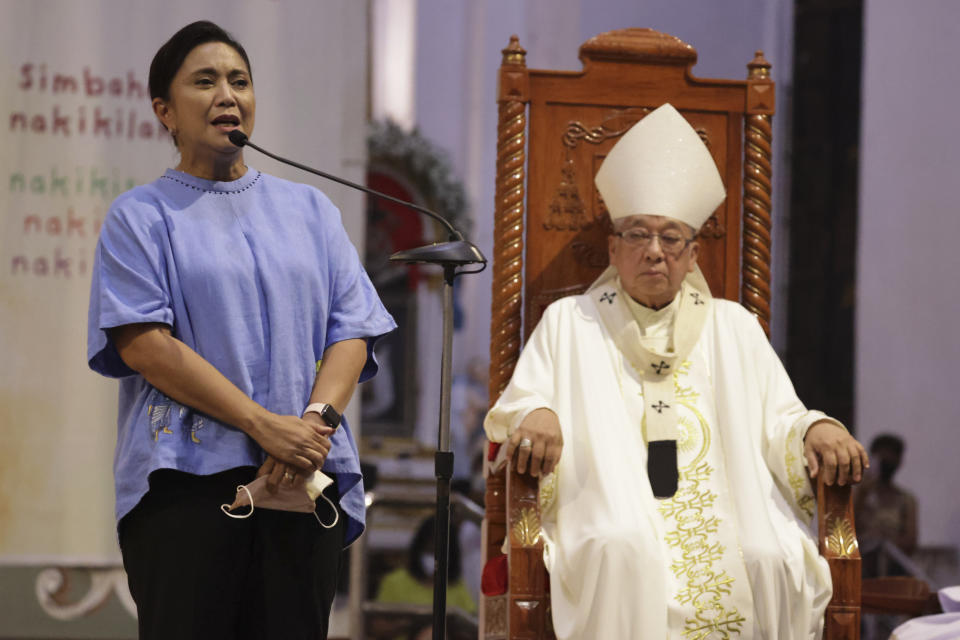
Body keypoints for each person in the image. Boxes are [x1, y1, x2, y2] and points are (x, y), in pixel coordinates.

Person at [484, 103, 870, 639]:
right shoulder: (570, 322)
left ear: (693, 257)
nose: (655, 253)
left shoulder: (733, 326)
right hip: (609, 498)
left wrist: (817, 427)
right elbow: (523, 402)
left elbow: (783, 417)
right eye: (638, 235)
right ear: (614, 250)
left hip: (732, 501)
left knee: (766, 555)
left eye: (671, 238)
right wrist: (541, 413)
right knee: (622, 547)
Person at [86, 21, 395, 640]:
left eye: (240, 81)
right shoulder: (141, 216)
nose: (228, 94)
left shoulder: (310, 210)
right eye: (205, 82)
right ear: (165, 111)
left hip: (303, 474)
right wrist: (262, 425)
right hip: (188, 483)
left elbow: (353, 328)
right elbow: (143, 344)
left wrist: (312, 426)